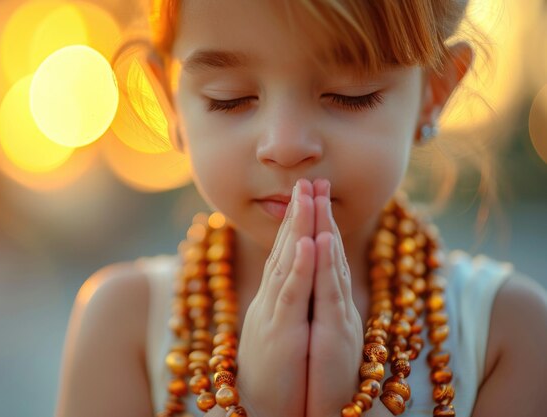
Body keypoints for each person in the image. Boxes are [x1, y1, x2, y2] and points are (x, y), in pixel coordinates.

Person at [55, 1, 547, 416]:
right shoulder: (124, 327)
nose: (285, 145)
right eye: (230, 99)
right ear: (170, 101)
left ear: (433, 94)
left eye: (350, 95)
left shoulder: (506, 334)